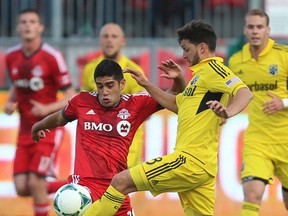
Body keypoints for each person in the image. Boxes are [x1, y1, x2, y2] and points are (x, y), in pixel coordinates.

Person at [83, 19, 253, 216]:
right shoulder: (198, 78)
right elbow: (175, 105)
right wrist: (147, 84)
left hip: (190, 161)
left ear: (203, 48)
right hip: (201, 167)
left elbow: (244, 93)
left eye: (186, 49)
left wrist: (228, 112)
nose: (183, 55)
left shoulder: (214, 70)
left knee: (120, 181)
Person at [31, 59, 186, 215]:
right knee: (70, 202)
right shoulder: (82, 101)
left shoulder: (135, 105)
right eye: (100, 86)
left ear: (122, 84)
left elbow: (173, 96)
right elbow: (59, 118)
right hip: (84, 190)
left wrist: (178, 78)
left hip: (116, 189)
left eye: (110, 85)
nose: (104, 91)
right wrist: (39, 126)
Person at [4, 8, 75, 216]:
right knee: (22, 187)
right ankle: (70, 185)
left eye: (32, 22)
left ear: (40, 27)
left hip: (47, 128)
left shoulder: (52, 57)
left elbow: (71, 95)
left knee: (36, 181)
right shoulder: (11, 56)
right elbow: (16, 84)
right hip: (25, 131)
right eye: (23, 22)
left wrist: (46, 109)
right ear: (18, 27)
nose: (27, 25)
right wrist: (10, 102)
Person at [228, 9, 288, 215]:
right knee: (252, 194)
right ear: (244, 30)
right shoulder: (236, 61)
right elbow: (228, 93)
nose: (255, 31)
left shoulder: (284, 57)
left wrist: (284, 102)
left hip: (285, 139)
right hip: (257, 141)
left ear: (268, 30)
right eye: (251, 27)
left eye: (260, 27)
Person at [81, 22, 146, 168]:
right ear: (100, 40)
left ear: (123, 41)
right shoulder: (89, 69)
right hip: (98, 142)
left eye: (114, 36)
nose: (109, 40)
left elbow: (144, 108)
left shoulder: (134, 72)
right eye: (105, 36)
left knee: (119, 186)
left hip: (126, 142)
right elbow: (84, 102)